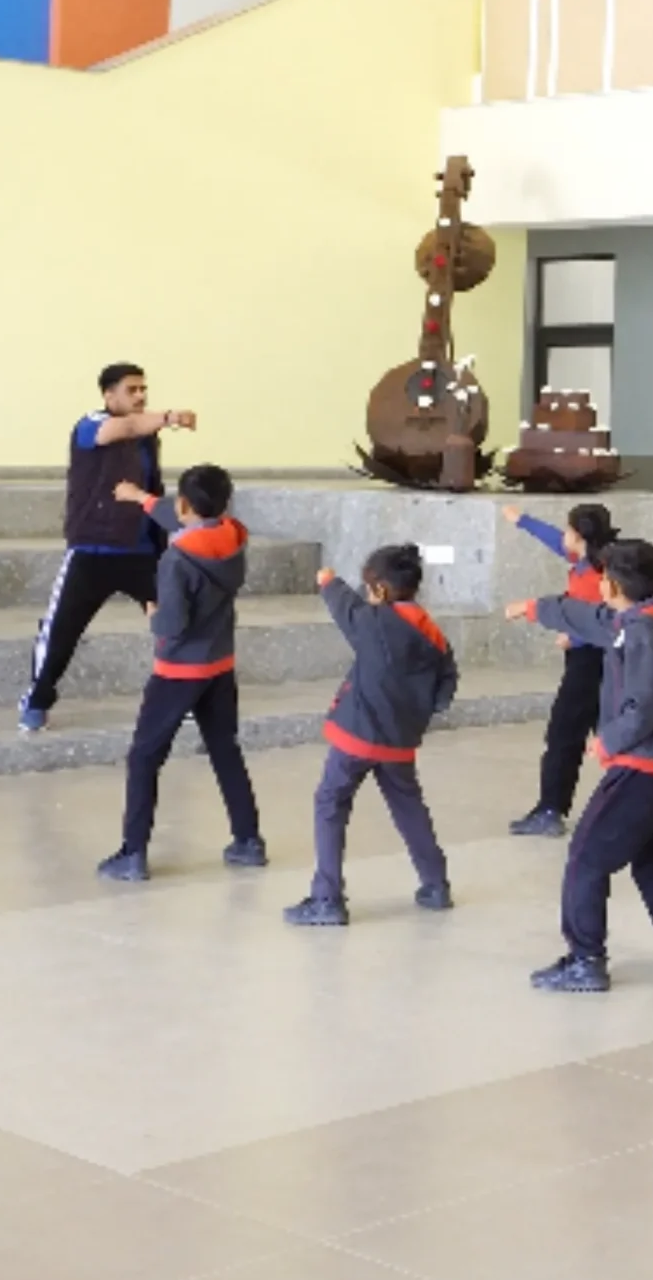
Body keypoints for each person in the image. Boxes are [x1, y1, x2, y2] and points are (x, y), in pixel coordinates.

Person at [511, 537, 653, 992]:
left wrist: (610, 740)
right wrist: (536, 608)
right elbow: (593, 618)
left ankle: (586, 960)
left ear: (612, 585)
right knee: (652, 855)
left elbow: (648, 703)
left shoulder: (641, 633)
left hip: (641, 769)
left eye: (603, 577)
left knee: (586, 859)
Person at [96, 464, 264, 882]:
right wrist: (141, 499)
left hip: (178, 671)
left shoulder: (176, 560)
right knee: (225, 749)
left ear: (185, 504)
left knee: (144, 756)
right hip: (219, 664)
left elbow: (172, 624)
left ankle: (133, 853)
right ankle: (248, 841)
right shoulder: (233, 537)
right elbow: (186, 523)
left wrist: (153, 614)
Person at [284, 545, 457, 927]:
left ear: (379, 590)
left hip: (357, 737)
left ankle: (327, 898)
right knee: (409, 807)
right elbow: (447, 683)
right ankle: (435, 884)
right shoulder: (432, 633)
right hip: (400, 741)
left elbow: (344, 607)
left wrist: (328, 581)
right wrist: (421, 710)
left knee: (330, 803)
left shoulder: (373, 623)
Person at [22, 363, 196, 733]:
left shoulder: (147, 435)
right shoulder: (92, 424)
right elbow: (124, 428)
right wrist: (169, 417)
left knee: (177, 622)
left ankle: (186, 696)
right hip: (93, 552)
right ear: (108, 395)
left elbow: (149, 478)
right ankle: (36, 701)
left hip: (142, 552)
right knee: (61, 631)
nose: (140, 396)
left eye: (143, 389)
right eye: (131, 390)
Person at [503, 500, 616, 838]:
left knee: (564, 735)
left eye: (569, 529)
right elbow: (555, 539)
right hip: (604, 660)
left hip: (590, 662)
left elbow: (592, 619)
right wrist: (522, 520)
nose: (563, 534)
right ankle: (629, 805)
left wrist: (574, 637)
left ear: (579, 536)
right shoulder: (595, 559)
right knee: (609, 733)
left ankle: (550, 810)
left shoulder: (591, 577)